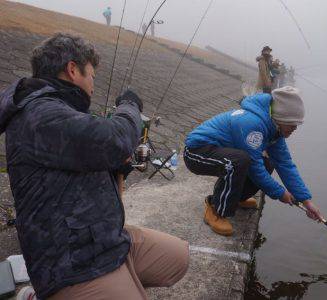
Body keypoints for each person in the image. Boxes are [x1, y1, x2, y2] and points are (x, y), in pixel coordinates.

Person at [0, 33, 188, 300]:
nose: (93, 85)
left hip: (105, 240)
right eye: (92, 76)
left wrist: (115, 168)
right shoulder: (41, 116)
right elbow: (118, 139)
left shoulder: (61, 110)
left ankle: (122, 280)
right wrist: (130, 105)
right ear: (73, 69)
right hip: (69, 262)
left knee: (178, 259)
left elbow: (78, 165)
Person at [184, 86, 322, 236]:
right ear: (280, 118)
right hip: (196, 152)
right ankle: (216, 208)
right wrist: (280, 193)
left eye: (298, 124)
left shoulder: (274, 130)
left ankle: (235, 199)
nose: (295, 128)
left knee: (268, 163)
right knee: (239, 161)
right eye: (292, 123)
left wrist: (306, 201)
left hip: (220, 153)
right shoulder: (252, 124)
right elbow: (254, 168)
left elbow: (285, 164)